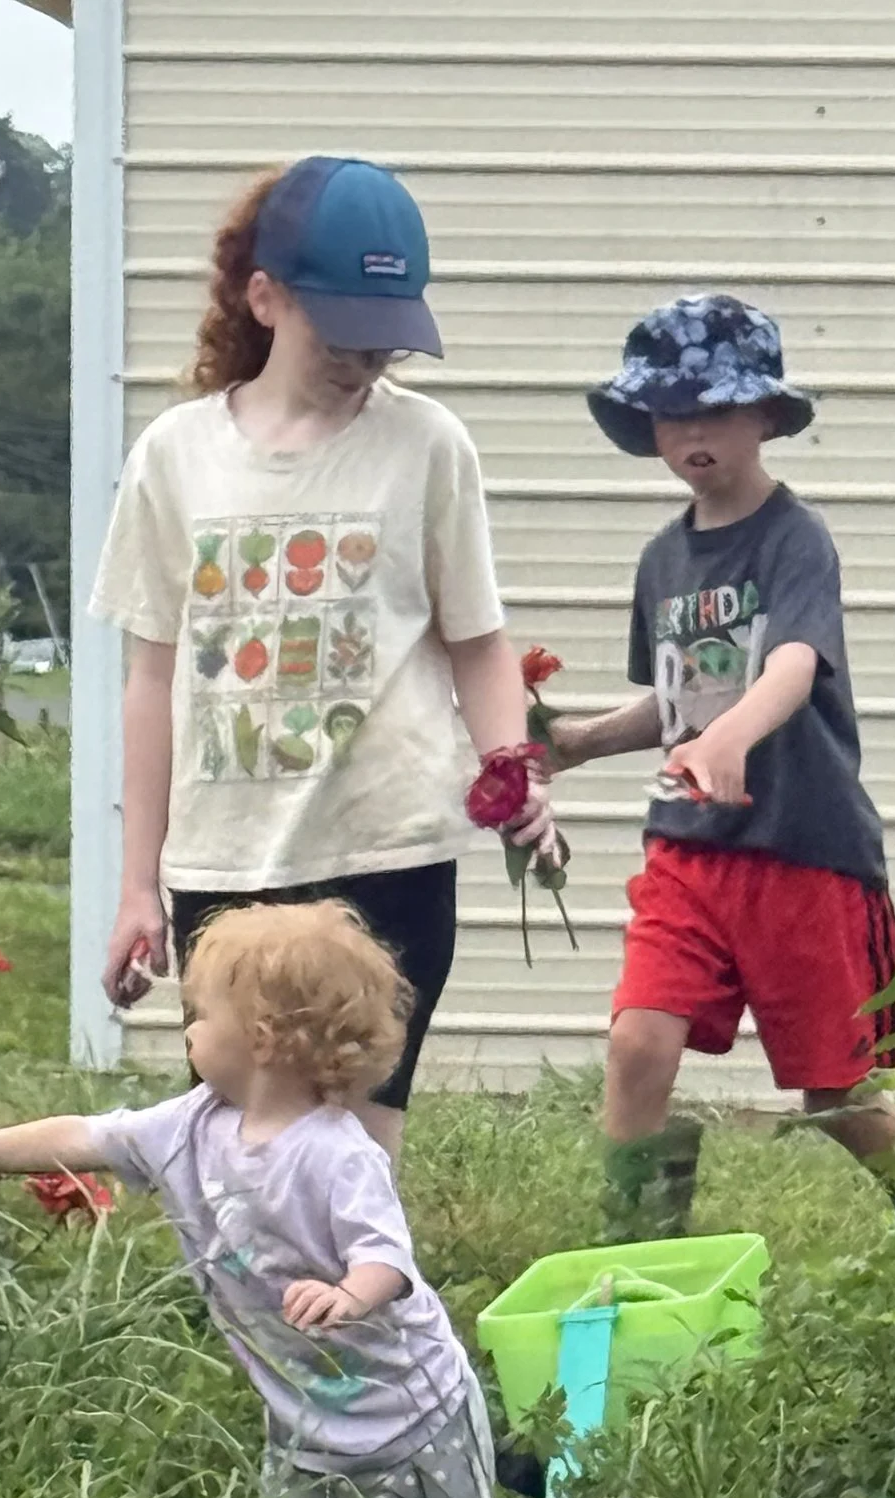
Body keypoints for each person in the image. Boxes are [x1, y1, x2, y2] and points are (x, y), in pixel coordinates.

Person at [0, 902, 522, 1498]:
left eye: (198, 1015)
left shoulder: (334, 1153)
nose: (186, 1031)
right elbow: (78, 1135)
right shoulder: (189, 1125)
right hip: (304, 1423)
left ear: (259, 1037)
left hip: (408, 1417)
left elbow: (389, 1260)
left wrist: (351, 1294)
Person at [90, 154, 556, 1158]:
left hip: (386, 847)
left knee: (352, 1156)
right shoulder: (174, 456)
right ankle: (255, 1324)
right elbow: (153, 677)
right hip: (225, 860)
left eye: (388, 337)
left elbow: (476, 642)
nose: (366, 358)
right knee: (239, 1150)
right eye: (343, 328)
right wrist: (139, 884)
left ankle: (362, 1318)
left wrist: (510, 769)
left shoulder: (428, 445)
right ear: (266, 297)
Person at [544, 292, 895, 1241]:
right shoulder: (662, 560)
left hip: (799, 847)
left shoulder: (796, 540)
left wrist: (729, 741)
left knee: (837, 1095)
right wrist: (581, 739)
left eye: (715, 410)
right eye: (672, 415)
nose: (693, 434)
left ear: (764, 416)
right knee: (638, 1041)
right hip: (689, 848)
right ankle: (634, 1261)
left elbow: (792, 665)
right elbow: (680, 702)